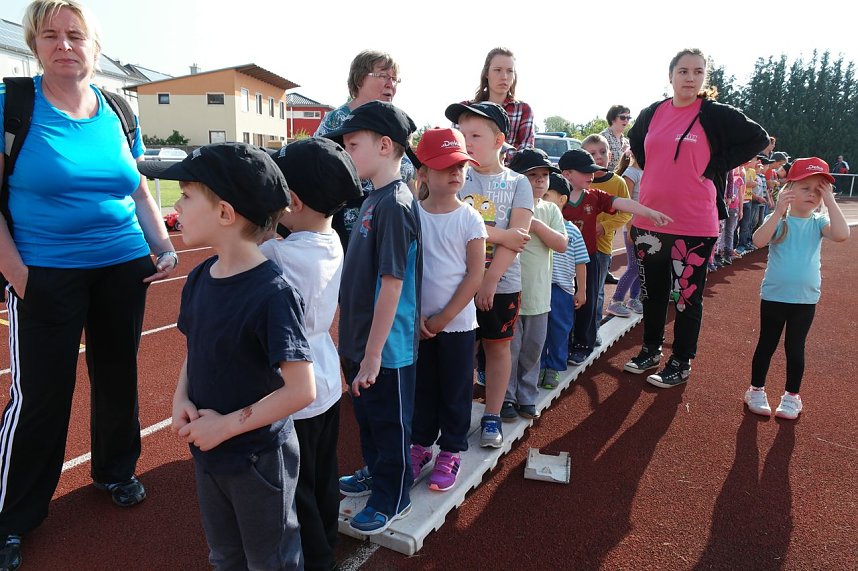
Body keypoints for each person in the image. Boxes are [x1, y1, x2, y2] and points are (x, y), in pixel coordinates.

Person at [0, 2, 179, 568]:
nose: (64, 45)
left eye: (75, 35)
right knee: (41, 396)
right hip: (44, 270)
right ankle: (13, 515)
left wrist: (161, 244)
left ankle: (115, 471)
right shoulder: (13, 105)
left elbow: (140, 187)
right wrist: (19, 276)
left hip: (122, 264)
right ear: (35, 43)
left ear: (93, 47)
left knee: (118, 373)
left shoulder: (120, 109)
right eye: (50, 35)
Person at [143, 143, 315, 570]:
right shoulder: (201, 275)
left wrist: (225, 426)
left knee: (269, 560)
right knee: (225, 555)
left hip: (257, 459)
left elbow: (301, 390)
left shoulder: (273, 293)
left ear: (224, 213)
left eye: (185, 195)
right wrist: (181, 398)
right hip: (210, 450)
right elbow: (195, 346)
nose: (176, 206)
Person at [625, 47, 769, 388]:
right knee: (653, 294)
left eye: (698, 72)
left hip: (694, 223)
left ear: (705, 77)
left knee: (687, 295)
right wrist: (657, 170)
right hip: (650, 221)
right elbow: (636, 140)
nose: (690, 78)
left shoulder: (714, 113)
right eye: (683, 71)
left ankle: (681, 360)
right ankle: (650, 349)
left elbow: (758, 138)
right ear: (671, 75)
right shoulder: (653, 112)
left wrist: (715, 164)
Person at [260, 138, 362, 571]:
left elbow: (251, 250)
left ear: (293, 200)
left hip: (292, 384)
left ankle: (315, 558)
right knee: (323, 474)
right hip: (325, 379)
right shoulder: (334, 240)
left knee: (296, 486)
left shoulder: (277, 254)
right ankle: (329, 542)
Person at [325, 102, 422, 536]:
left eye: (352, 145)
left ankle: (394, 494)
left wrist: (373, 354)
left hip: (387, 349)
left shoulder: (395, 204)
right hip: (361, 340)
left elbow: (393, 285)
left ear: (385, 146)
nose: (347, 153)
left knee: (389, 422)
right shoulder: (371, 198)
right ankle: (376, 471)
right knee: (367, 418)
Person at [446, 101, 533, 449]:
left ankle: (492, 415)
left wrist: (492, 278)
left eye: (475, 135)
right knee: (460, 352)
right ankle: (455, 417)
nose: (467, 141)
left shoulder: (518, 182)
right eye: (462, 134)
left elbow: (520, 236)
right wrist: (499, 234)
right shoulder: (454, 175)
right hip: (457, 281)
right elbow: (454, 223)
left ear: (499, 140)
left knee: (498, 350)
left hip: (502, 283)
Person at [409, 128, 486, 492]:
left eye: (460, 166)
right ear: (422, 173)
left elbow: (474, 274)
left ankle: (451, 449)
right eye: (445, 167)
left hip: (456, 325)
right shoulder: (411, 215)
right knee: (422, 388)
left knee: (455, 389)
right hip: (418, 325)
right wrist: (418, 318)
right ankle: (420, 445)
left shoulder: (469, 218)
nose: (456, 173)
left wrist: (441, 319)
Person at [743, 157, 849, 419]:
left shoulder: (819, 222)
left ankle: (792, 396)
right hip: (775, 296)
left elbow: (842, 234)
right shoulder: (779, 219)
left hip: (805, 299)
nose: (812, 194)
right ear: (789, 189)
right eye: (806, 188)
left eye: (819, 190)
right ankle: (755, 390)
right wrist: (778, 211)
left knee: (795, 347)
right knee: (767, 344)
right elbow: (758, 241)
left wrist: (832, 201)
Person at [560, 149, 672, 366]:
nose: (591, 176)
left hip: (588, 259)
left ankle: (582, 344)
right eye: (585, 172)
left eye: (592, 171)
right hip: (558, 261)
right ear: (566, 174)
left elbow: (623, 203)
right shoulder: (554, 197)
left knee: (588, 301)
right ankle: (561, 343)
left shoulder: (594, 195)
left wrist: (648, 212)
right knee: (562, 302)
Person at [314, 50, 415, 249]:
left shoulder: (397, 120)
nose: (390, 84)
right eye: (383, 76)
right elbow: (317, 171)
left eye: (395, 79)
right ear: (359, 79)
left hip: (396, 219)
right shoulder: (337, 121)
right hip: (353, 229)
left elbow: (410, 175)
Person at [501, 149, 568, 421]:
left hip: (539, 297)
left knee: (532, 350)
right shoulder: (507, 205)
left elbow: (562, 244)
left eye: (544, 176)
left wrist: (537, 225)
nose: (540, 181)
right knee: (508, 350)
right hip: (509, 293)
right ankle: (505, 397)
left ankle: (526, 396)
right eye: (532, 176)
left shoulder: (549, 209)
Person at [539, 173, 589, 389]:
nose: (541, 200)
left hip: (562, 289)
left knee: (559, 330)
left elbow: (581, 263)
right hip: (537, 288)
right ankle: (538, 366)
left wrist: (582, 290)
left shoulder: (572, 231)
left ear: (562, 200)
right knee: (537, 331)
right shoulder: (533, 227)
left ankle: (554, 368)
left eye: (546, 195)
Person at [581, 134, 632, 324]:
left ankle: (592, 329)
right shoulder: (580, 180)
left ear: (610, 155)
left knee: (596, 290)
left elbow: (626, 212)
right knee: (577, 289)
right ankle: (577, 331)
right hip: (575, 247)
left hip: (601, 248)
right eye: (592, 153)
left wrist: (604, 226)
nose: (598, 156)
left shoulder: (617, 182)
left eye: (602, 152)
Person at [469, 47, 535, 163]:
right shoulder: (467, 109)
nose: (504, 76)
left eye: (510, 71)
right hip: (472, 176)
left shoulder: (523, 110)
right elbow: (459, 148)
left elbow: (526, 152)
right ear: (486, 73)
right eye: (498, 70)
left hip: (510, 177)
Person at [607, 151, 645, 315]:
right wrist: (629, 228)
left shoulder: (645, 172)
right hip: (633, 226)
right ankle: (616, 300)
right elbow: (627, 204)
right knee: (634, 266)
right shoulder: (631, 173)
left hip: (645, 226)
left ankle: (633, 299)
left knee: (642, 265)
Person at [600, 105, 632, 172]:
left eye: (628, 118)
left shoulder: (627, 142)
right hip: (607, 180)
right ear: (612, 119)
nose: (626, 120)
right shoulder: (602, 138)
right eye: (622, 117)